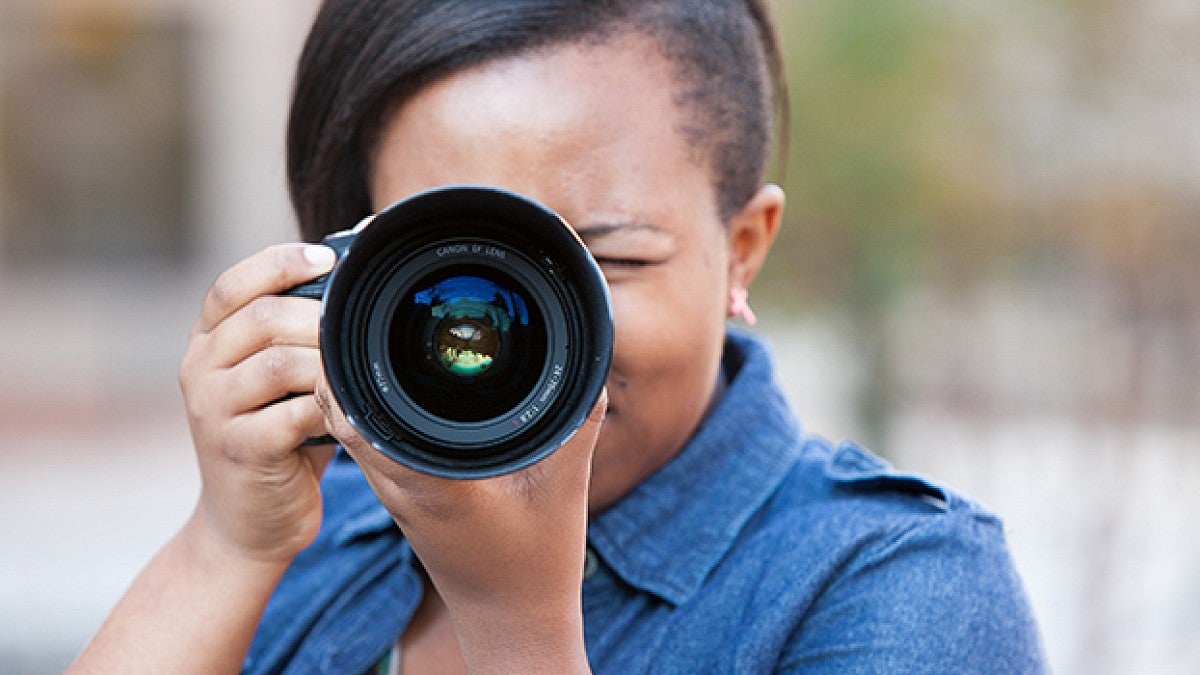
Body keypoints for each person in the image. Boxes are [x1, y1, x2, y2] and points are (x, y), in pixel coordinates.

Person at [70, 1, 1048, 673]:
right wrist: (226, 544)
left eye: (606, 264)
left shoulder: (896, 586)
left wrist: (515, 623)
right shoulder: (327, 539)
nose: (516, 340)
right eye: (453, 280)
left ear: (741, 250)